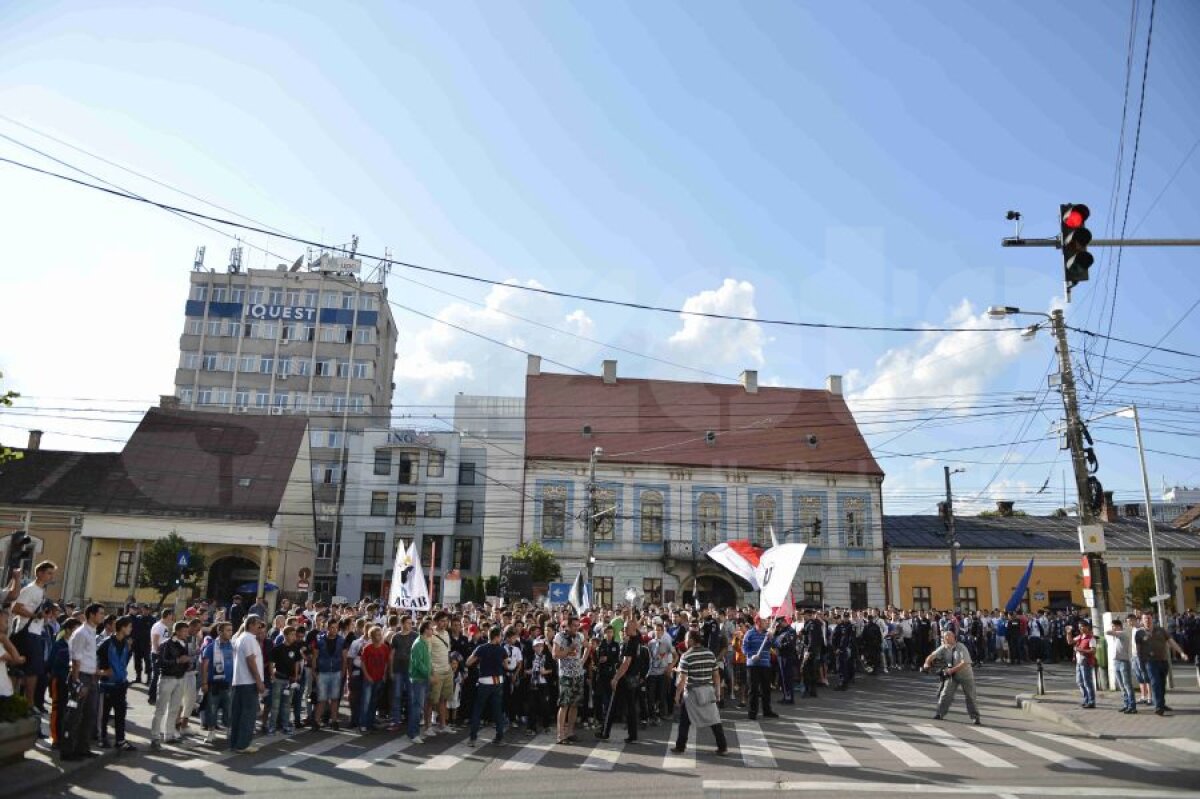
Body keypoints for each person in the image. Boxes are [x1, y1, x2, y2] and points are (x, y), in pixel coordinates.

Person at [671, 630, 728, 756]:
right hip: (708, 691)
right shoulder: (710, 653)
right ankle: (722, 747)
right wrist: (718, 692)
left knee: (685, 721)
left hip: (692, 693)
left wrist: (677, 695)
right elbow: (716, 675)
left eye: (686, 639)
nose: (684, 642)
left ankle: (680, 747)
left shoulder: (686, 656)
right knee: (714, 721)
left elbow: (682, 679)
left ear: (691, 640)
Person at [10, 561, 55, 710]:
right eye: (49, 573)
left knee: (28, 669)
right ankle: (28, 703)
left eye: (52, 573)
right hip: (26, 632)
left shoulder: (41, 591)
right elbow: (16, 608)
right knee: (33, 670)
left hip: (35, 632)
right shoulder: (30, 589)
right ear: (40, 573)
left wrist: (44, 616)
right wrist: (35, 615)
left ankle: (22, 702)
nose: (51, 576)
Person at [61, 602, 103, 760]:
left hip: (91, 677)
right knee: (74, 715)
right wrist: (77, 682)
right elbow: (76, 659)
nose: (102, 616)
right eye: (100, 613)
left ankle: (82, 748)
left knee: (89, 714)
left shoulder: (92, 632)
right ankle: (67, 751)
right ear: (92, 615)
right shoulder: (81, 633)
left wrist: (96, 672)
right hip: (80, 677)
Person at [597, 625, 646, 744]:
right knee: (630, 708)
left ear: (631, 632)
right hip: (633, 679)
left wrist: (616, 678)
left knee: (613, 705)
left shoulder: (629, 644)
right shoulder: (638, 642)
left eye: (625, 630)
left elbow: (626, 663)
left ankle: (605, 732)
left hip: (625, 678)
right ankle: (632, 734)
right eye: (622, 630)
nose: (623, 632)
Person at [923, 629, 981, 725]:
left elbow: (965, 662)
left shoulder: (961, 647)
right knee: (945, 694)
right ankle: (939, 713)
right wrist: (926, 663)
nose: (946, 638)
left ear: (953, 637)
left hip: (965, 675)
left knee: (970, 696)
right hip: (952, 675)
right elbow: (932, 656)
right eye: (945, 637)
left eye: (948, 636)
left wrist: (951, 670)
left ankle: (975, 717)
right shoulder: (944, 647)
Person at [149, 621, 191, 749]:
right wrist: (178, 661)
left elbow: (184, 660)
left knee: (174, 709)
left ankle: (169, 735)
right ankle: (155, 738)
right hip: (167, 679)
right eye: (184, 631)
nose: (186, 633)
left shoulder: (184, 643)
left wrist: (187, 664)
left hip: (179, 678)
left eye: (186, 631)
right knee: (160, 709)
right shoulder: (166, 644)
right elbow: (160, 662)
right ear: (177, 631)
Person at [229, 615, 267, 753]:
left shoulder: (241, 638)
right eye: (258, 624)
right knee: (248, 714)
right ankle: (243, 744)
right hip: (248, 682)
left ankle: (235, 743)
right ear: (251, 624)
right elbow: (251, 661)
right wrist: (259, 681)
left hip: (240, 682)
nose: (260, 627)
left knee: (238, 714)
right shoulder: (249, 639)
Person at [96, 615, 135, 751]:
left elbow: (124, 662)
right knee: (104, 715)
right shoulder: (107, 643)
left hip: (121, 684)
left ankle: (120, 740)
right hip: (107, 684)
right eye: (129, 626)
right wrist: (102, 672)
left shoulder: (126, 643)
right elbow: (96, 659)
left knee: (120, 714)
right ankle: (102, 738)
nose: (131, 629)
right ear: (122, 627)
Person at [465, 626, 508, 747]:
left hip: (484, 682)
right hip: (498, 682)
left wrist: (479, 661)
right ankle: (499, 737)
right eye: (500, 636)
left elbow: (468, 662)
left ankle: (473, 738)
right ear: (497, 636)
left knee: (478, 710)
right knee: (497, 711)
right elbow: (506, 666)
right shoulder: (502, 650)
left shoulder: (481, 648)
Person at [1139, 612, 1188, 716]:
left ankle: (1162, 703)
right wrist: (1141, 664)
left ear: (1152, 619)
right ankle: (1159, 707)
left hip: (1163, 661)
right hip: (1150, 662)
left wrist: (1182, 653)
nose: (1147, 620)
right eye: (1145, 619)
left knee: (1162, 685)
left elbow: (1171, 642)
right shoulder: (1139, 633)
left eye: (1149, 618)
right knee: (1155, 683)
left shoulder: (1161, 630)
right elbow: (1139, 650)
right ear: (1142, 621)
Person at [553, 615, 587, 745]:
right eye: (574, 625)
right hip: (565, 675)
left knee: (574, 704)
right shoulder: (559, 637)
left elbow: (588, 647)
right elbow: (555, 655)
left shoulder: (579, 636)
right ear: (567, 625)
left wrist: (582, 661)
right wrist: (569, 649)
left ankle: (570, 732)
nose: (576, 628)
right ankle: (560, 735)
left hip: (578, 675)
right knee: (564, 705)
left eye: (577, 625)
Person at [201, 622, 234, 744]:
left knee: (228, 709)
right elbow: (204, 665)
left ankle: (229, 730)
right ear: (220, 632)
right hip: (214, 684)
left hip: (228, 684)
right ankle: (211, 732)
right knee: (212, 708)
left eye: (231, 630)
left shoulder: (232, 646)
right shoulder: (211, 647)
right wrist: (204, 683)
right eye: (228, 630)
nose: (230, 633)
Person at [741, 615, 778, 721]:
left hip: (765, 665)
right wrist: (750, 655)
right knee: (753, 690)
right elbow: (744, 647)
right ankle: (752, 712)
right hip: (752, 665)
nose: (766, 622)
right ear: (758, 622)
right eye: (764, 621)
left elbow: (776, 645)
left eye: (766, 621)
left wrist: (772, 638)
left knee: (766, 689)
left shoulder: (768, 634)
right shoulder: (750, 633)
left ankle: (767, 711)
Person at [268, 625, 301, 735]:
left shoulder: (295, 648)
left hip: (290, 680)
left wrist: (296, 676)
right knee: (275, 705)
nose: (294, 637)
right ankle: (272, 727)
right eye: (291, 635)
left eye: (294, 635)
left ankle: (285, 726)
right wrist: (272, 675)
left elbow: (297, 662)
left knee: (287, 705)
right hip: (279, 679)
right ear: (285, 636)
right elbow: (271, 663)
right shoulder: (278, 648)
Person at [387, 615, 417, 732]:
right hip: (398, 669)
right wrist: (390, 671)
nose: (410, 625)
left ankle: (411, 720)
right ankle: (396, 721)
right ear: (403, 623)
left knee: (411, 696)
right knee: (397, 696)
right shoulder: (396, 637)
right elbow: (391, 655)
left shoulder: (415, 636)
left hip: (410, 671)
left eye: (411, 623)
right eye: (408, 623)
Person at [359, 625, 389, 733]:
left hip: (379, 678)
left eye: (380, 634)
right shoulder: (367, 648)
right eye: (377, 635)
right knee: (366, 702)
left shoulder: (385, 647)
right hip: (369, 679)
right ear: (372, 636)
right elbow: (362, 663)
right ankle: (363, 724)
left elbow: (386, 662)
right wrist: (367, 676)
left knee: (373, 702)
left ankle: (370, 723)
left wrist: (384, 675)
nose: (380, 636)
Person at [427, 611, 454, 733]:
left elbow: (447, 652)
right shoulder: (430, 634)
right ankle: (427, 727)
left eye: (446, 621)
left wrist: (450, 665)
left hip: (447, 671)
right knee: (431, 701)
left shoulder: (447, 634)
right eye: (442, 621)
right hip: (435, 672)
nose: (445, 623)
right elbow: (427, 654)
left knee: (443, 699)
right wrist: (431, 672)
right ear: (436, 621)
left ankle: (442, 725)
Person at [407, 619, 432, 744]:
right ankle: (413, 734)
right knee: (417, 707)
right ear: (425, 630)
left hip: (423, 679)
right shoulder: (418, 643)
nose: (432, 630)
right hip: (418, 680)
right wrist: (429, 675)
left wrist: (430, 673)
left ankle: (413, 732)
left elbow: (426, 662)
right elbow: (418, 663)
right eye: (430, 628)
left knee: (418, 706)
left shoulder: (424, 642)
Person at [1105, 617, 1136, 714]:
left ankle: (1132, 706)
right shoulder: (1116, 636)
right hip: (1116, 662)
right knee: (1122, 686)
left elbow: (1108, 632)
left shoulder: (1123, 633)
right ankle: (1126, 704)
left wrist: (1111, 630)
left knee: (1127, 685)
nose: (1112, 628)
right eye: (1112, 626)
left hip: (1123, 662)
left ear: (1118, 626)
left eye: (1114, 626)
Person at [1068, 619, 1097, 709]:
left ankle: (1091, 701)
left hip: (1086, 662)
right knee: (1080, 682)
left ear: (1087, 627)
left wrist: (1081, 650)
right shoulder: (1080, 637)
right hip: (1079, 663)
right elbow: (1070, 642)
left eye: (1082, 626)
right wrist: (1068, 633)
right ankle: (1086, 699)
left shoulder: (1091, 638)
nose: (1081, 628)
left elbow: (1093, 651)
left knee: (1087, 682)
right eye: (1080, 627)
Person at [148, 608, 174, 705]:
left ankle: (156, 696)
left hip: (162, 654)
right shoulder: (158, 626)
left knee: (159, 676)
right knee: (156, 676)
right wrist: (159, 654)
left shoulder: (165, 627)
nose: (172, 618)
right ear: (167, 615)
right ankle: (152, 697)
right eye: (171, 615)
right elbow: (155, 641)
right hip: (157, 654)